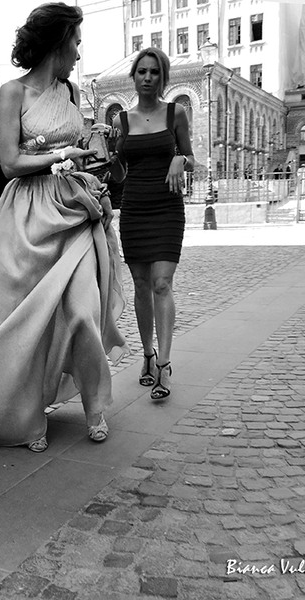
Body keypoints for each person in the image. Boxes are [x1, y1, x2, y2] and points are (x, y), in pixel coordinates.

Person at [0, 2, 129, 452]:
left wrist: (96, 177)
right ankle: (22, 412)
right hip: (26, 214)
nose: (79, 53)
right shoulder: (12, 91)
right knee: (24, 319)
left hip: (73, 208)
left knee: (84, 309)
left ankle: (95, 406)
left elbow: (77, 154)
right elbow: (10, 162)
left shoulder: (71, 92)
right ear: (58, 42)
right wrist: (61, 156)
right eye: (76, 43)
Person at [110, 47, 194, 400]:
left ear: (163, 77)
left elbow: (190, 157)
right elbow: (118, 175)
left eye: (154, 72)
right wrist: (110, 154)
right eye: (142, 71)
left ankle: (164, 364)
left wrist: (180, 159)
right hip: (135, 208)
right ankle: (147, 354)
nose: (147, 77)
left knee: (162, 283)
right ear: (134, 76)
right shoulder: (121, 121)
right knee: (142, 285)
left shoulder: (176, 113)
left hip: (167, 208)